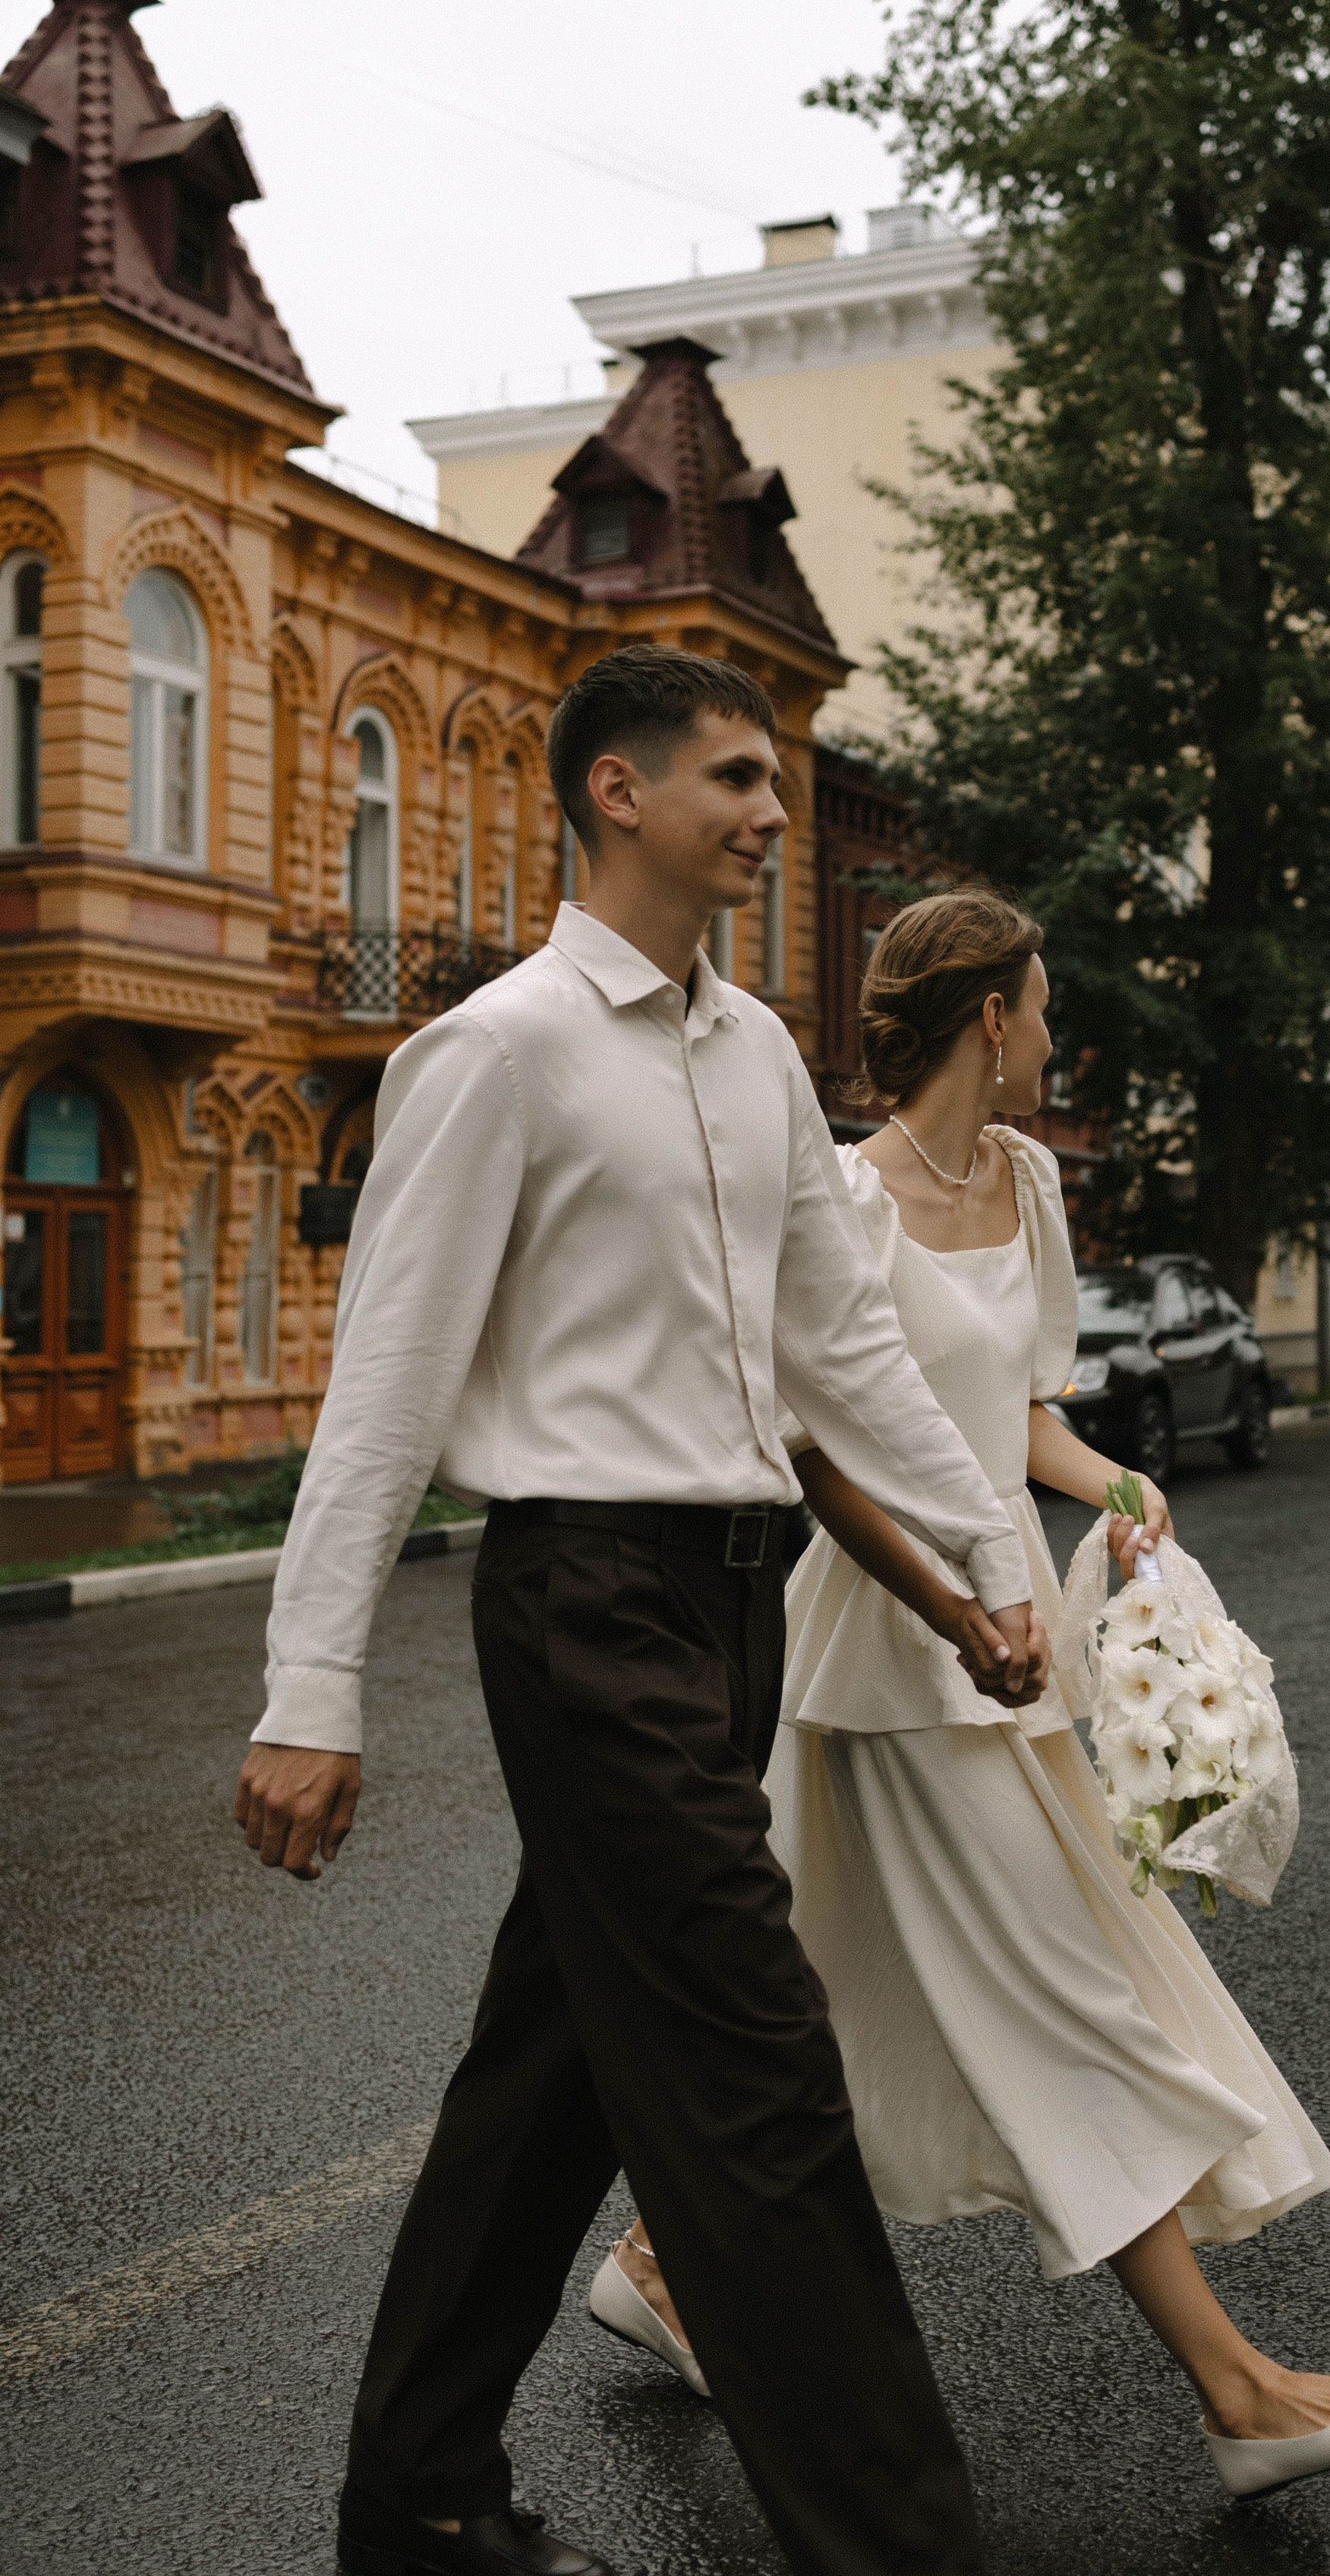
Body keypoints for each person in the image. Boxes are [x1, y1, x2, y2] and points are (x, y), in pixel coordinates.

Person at [232, 650, 1054, 2576]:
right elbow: (388, 1384)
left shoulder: (754, 1054)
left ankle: (417, 2499)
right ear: (618, 791)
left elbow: (840, 1350)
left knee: (562, 2067)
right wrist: (308, 1687)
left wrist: (984, 1570)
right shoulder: (498, 1049)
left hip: (730, 1595)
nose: (775, 811)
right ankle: (899, 2544)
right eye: (741, 778)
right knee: (755, 2061)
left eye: (773, 780)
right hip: (580, 1594)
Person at [590, 891, 1330, 2501]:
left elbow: (1021, 1415)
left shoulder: (1031, 1181)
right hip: (896, 1646)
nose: (1056, 1034)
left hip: (1000, 1633)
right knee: (1066, 1997)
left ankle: (659, 2270)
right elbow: (818, 1454)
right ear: (990, 1017)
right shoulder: (840, 1199)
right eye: (1043, 1006)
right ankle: (1242, 2394)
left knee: (846, 1990)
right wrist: (953, 1600)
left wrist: (1108, 1480)